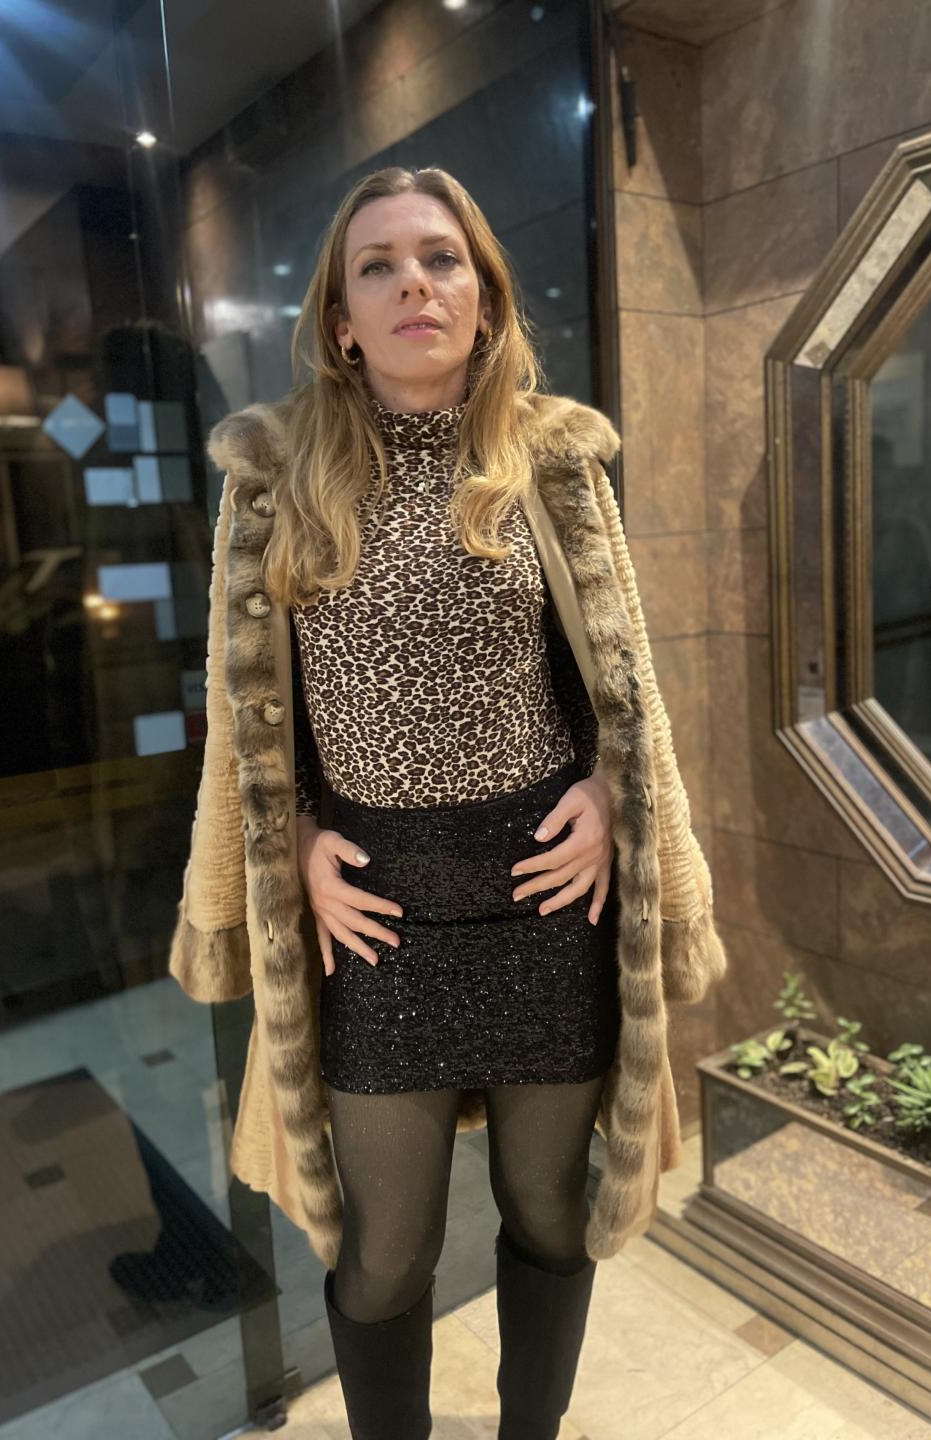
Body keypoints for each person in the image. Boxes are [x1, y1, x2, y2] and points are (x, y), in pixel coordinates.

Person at [170, 164, 728, 1440]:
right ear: (341, 321)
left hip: (548, 898)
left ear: (483, 298)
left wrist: (610, 794)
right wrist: (295, 838)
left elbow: (620, 684)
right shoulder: (274, 479)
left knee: (547, 1213)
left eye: (442, 258)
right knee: (385, 1253)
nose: (414, 283)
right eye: (378, 265)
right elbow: (253, 719)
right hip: (376, 919)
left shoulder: (554, 464)